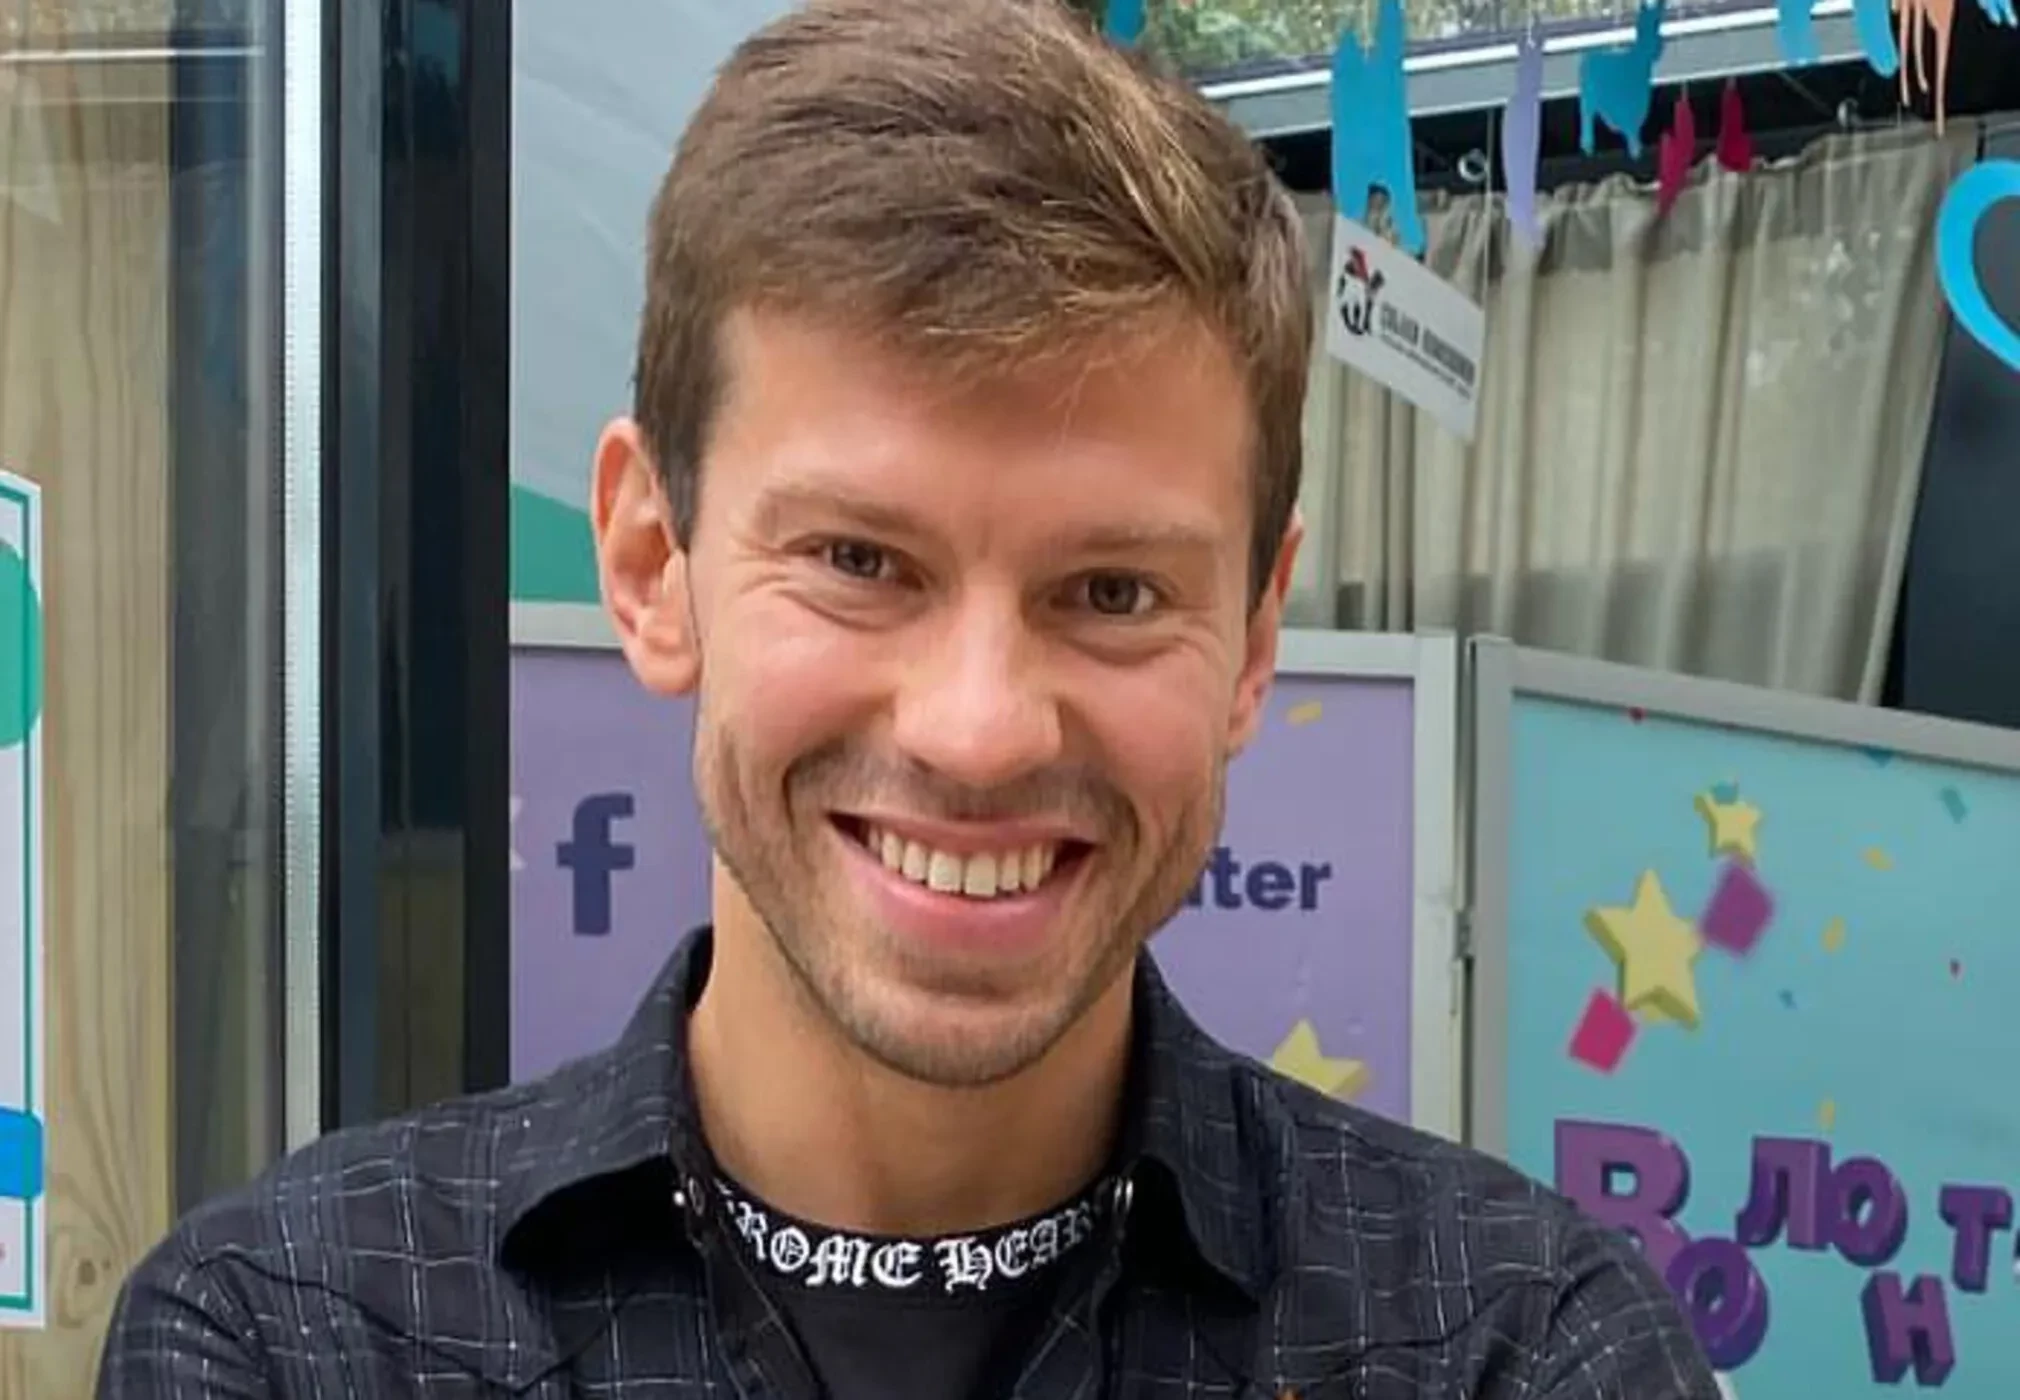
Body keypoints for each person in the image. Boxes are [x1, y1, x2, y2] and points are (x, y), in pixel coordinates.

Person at [99, 1, 1721, 1395]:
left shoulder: (1517, 1347)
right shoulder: (301, 1338)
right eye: (861, 562)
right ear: (653, 562)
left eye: (1113, 592)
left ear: (1251, 640)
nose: (979, 728)